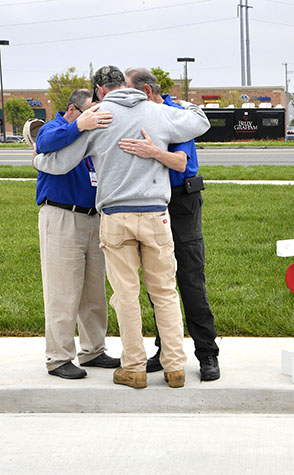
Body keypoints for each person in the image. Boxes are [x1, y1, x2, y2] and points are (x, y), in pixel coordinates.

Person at [33, 65, 210, 390]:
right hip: (157, 215)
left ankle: (134, 368)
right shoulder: (157, 112)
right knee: (165, 293)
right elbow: (201, 121)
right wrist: (179, 103)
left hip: (115, 217)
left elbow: (59, 162)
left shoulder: (99, 117)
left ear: (101, 91)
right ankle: (174, 368)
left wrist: (37, 161)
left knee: (125, 294)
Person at [120, 67, 220, 381]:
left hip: (183, 201)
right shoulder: (143, 116)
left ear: (147, 92)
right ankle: (166, 353)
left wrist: (153, 151)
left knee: (190, 277)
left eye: (129, 91)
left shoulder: (175, 116)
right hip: (154, 202)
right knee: (159, 281)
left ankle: (207, 355)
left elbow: (181, 162)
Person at [34, 88, 120, 379]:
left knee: (94, 290)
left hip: (93, 218)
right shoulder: (55, 127)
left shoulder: (90, 135)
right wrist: (79, 127)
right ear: (72, 111)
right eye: (89, 113)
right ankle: (58, 358)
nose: (95, 118)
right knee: (63, 290)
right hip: (61, 216)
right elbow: (45, 143)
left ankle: (93, 350)